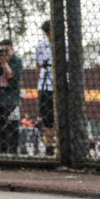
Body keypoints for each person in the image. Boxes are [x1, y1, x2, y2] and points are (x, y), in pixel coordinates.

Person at [0, 39, 23, 155]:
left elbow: (10, 74)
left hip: (12, 99)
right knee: (0, 127)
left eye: (6, 51)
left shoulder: (17, 61)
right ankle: (2, 152)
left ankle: (13, 153)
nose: (4, 53)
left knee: (13, 129)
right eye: (1, 50)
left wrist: (3, 62)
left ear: (11, 50)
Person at [34, 20, 56, 156]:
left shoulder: (65, 44)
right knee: (47, 118)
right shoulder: (40, 46)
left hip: (61, 85)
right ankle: (49, 145)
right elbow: (38, 66)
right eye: (47, 33)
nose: (49, 35)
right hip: (45, 85)